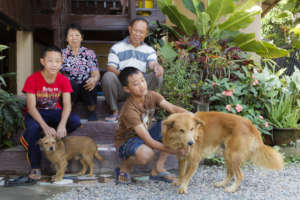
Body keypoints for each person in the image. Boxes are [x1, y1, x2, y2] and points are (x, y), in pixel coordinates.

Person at [114, 67, 188, 184]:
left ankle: (158, 169)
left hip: (144, 133)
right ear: (127, 89)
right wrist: (176, 151)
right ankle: (124, 167)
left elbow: (173, 108)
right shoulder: (129, 110)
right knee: (146, 154)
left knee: (172, 125)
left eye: (142, 80)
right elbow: (149, 141)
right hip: (127, 141)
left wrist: (194, 116)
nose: (142, 85)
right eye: (136, 84)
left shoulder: (152, 95)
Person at [20, 46, 81, 180]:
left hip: (55, 112)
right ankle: (35, 166)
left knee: (76, 121)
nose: (54, 64)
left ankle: (49, 138)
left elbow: (67, 105)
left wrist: (62, 125)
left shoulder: (63, 80)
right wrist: (45, 127)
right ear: (43, 61)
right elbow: (31, 107)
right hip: (37, 113)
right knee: (34, 129)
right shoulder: (32, 79)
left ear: (61, 62)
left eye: (58, 61)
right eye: (50, 61)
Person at [102, 17, 164, 122]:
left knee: (158, 76)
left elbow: (152, 63)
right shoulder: (117, 47)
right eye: (135, 31)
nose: (137, 34)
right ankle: (114, 111)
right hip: (122, 87)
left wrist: (157, 67)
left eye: (141, 32)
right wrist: (128, 78)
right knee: (108, 76)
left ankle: (149, 111)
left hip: (141, 89)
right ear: (130, 29)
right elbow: (111, 67)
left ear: (146, 33)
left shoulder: (149, 50)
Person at [61, 23, 100, 121]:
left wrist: (94, 79)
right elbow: (57, 73)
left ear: (81, 38)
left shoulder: (89, 53)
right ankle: (68, 111)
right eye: (71, 35)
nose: (74, 38)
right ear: (66, 38)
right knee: (70, 83)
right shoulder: (61, 54)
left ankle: (91, 111)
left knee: (89, 81)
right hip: (69, 89)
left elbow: (95, 72)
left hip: (85, 88)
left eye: (77, 35)